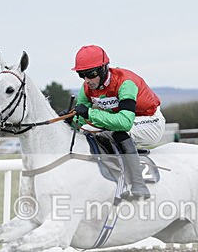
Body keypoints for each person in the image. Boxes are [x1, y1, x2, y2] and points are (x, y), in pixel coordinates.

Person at [70, 45, 166, 200]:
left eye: (90, 74)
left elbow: (125, 122)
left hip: (150, 122)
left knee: (118, 133)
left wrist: (90, 113)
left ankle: (138, 185)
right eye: (82, 75)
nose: (87, 80)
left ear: (103, 69)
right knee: (91, 133)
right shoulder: (87, 87)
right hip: (122, 121)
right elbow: (81, 121)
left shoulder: (125, 82)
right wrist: (71, 119)